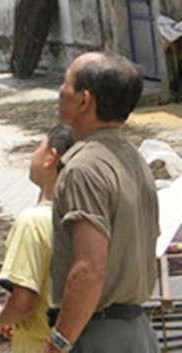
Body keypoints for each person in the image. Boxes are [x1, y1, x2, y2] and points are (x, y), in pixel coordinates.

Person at [45, 51, 160, 353]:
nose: (60, 90)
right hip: (136, 331)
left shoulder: (84, 168)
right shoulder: (133, 159)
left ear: (84, 101)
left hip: (96, 335)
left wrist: (58, 342)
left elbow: (89, 269)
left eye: (66, 82)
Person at [0, 124, 74, 352]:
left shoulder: (32, 222)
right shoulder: (81, 219)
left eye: (38, 147)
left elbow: (23, 302)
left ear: (51, 157)